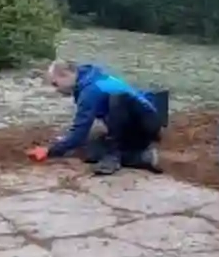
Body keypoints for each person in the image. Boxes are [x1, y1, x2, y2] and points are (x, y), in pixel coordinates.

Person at [27, 60, 162, 175]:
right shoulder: (91, 79)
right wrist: (66, 142)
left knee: (118, 98)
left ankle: (116, 156)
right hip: (140, 123)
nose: (56, 89)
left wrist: (50, 151)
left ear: (66, 75)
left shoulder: (90, 89)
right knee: (88, 151)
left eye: (55, 84)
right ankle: (139, 155)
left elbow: (80, 130)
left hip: (146, 125)